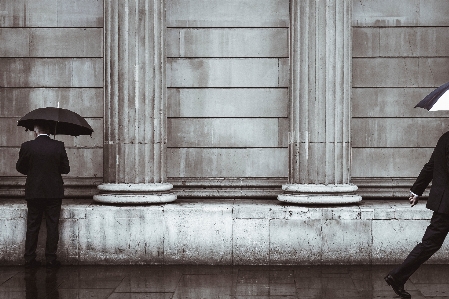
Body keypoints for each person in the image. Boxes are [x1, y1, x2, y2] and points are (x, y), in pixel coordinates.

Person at [385, 131, 449, 298]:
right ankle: (397, 276)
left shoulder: (445, 137)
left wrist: (416, 190)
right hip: (447, 204)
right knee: (430, 244)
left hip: (444, 204)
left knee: (429, 244)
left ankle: (397, 276)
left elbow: (431, 166)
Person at [16, 120, 70, 269]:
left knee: (33, 225)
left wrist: (33, 170)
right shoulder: (58, 145)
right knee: (53, 225)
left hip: (34, 191)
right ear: (49, 130)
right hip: (53, 192)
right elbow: (66, 169)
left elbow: (20, 167)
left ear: (35, 131)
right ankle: (51, 259)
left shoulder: (27, 146)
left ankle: (29, 258)